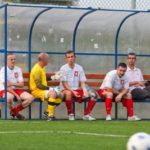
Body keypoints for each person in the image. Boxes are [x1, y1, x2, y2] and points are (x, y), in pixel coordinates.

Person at [60, 50, 98, 121]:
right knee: (68, 93)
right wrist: (72, 91)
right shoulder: (63, 68)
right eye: (68, 57)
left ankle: (86, 115)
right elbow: (64, 84)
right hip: (66, 90)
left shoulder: (79, 67)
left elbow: (82, 82)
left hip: (76, 90)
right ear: (66, 59)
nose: (70, 59)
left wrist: (85, 91)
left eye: (72, 57)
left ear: (75, 57)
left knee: (94, 94)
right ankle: (70, 114)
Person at [30, 52, 63, 121]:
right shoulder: (37, 69)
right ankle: (50, 116)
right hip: (36, 91)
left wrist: (54, 77)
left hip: (42, 90)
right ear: (43, 60)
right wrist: (50, 88)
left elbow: (44, 78)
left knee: (61, 95)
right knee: (53, 93)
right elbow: (38, 85)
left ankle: (47, 112)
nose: (48, 60)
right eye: (47, 59)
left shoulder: (41, 67)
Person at [0, 53, 34, 120]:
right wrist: (16, 95)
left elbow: (22, 84)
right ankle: (16, 114)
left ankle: (15, 111)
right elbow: (7, 86)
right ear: (7, 60)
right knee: (9, 98)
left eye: (14, 59)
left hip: (15, 89)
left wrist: (12, 84)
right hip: (5, 89)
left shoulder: (18, 69)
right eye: (11, 59)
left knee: (31, 98)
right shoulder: (3, 70)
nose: (13, 61)